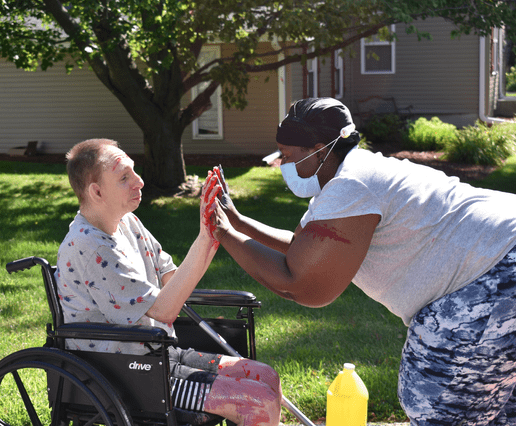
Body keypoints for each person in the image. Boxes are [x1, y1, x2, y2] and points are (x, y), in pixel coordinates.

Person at [206, 97, 516, 425]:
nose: (281, 164)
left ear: (320, 150)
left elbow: (303, 285)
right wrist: (238, 222)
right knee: (500, 410)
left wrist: (223, 233)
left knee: (435, 400)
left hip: (496, 272)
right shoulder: (353, 176)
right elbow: (302, 249)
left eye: (287, 155)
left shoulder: (350, 186)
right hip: (502, 254)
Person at [55, 138, 282, 426]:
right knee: (257, 401)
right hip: (128, 375)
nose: (139, 182)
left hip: (158, 357)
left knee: (266, 377)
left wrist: (212, 235)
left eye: (134, 171)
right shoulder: (91, 247)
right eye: (124, 177)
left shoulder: (127, 223)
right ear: (97, 191)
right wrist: (206, 238)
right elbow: (163, 310)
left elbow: (171, 279)